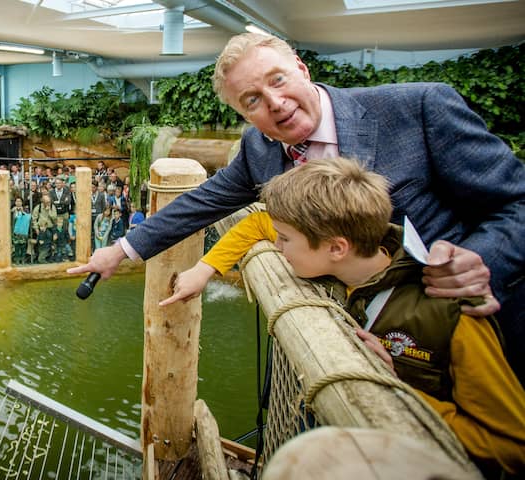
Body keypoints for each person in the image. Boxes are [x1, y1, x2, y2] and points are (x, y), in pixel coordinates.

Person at [69, 32, 525, 379]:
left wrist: (481, 260)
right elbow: (200, 204)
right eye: (253, 100)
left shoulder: (417, 108)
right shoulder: (260, 151)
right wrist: (122, 250)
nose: (276, 103)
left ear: (302, 70)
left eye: (278, 81)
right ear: (246, 115)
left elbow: (516, 202)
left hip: (479, 329)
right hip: (370, 349)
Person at [162, 157, 525, 475]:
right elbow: (261, 223)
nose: (275, 246)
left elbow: (510, 446)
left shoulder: (450, 314)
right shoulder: (341, 260)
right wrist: (208, 267)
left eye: (285, 239)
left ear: (337, 248)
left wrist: (400, 392)